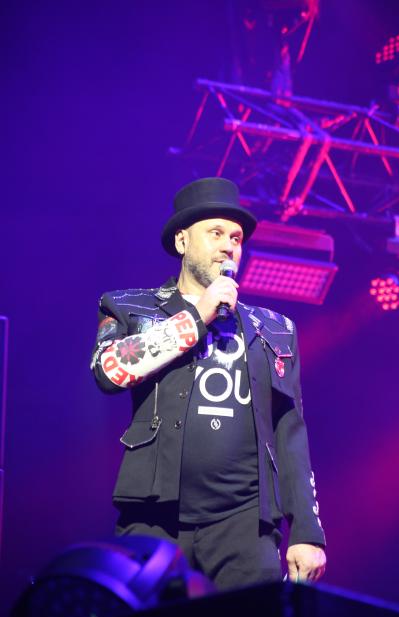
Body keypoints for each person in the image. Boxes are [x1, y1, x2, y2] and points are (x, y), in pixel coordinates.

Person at [91, 177, 326, 590]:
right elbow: (109, 371)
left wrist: (307, 531)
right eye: (215, 233)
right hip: (155, 515)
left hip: (245, 524)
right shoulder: (130, 307)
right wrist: (198, 315)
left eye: (236, 238)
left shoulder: (275, 329)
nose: (228, 246)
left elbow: (290, 433)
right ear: (182, 241)